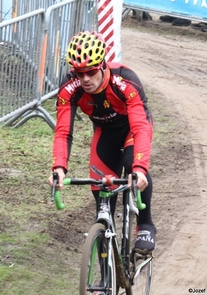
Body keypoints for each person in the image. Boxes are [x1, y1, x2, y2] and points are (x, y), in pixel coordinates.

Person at [48, 31, 156, 255]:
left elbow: (141, 127)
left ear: (103, 65)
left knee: (132, 165)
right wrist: (59, 167)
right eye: (79, 73)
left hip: (131, 131)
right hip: (105, 133)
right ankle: (103, 284)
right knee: (102, 200)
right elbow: (63, 131)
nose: (85, 79)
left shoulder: (125, 80)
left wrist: (140, 169)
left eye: (91, 72)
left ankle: (145, 224)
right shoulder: (69, 88)